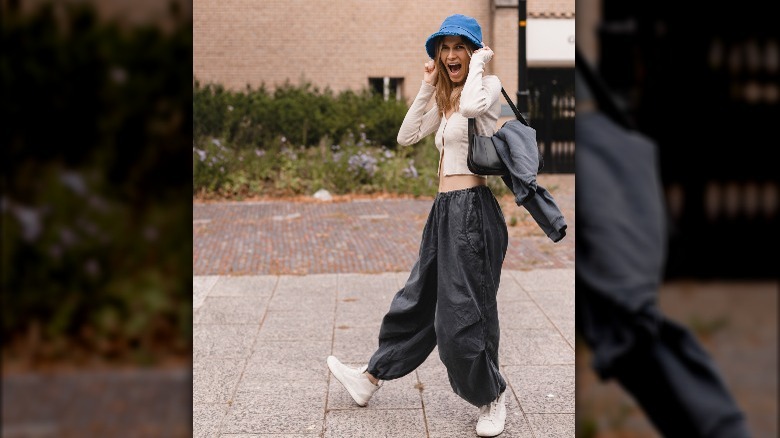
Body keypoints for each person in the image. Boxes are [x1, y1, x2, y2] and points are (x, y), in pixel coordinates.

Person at [326, 14, 510, 437]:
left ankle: (491, 397)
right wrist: (428, 86)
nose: (449, 55)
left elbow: (472, 108)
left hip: (473, 211)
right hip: (444, 210)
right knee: (418, 299)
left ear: (474, 51)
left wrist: (481, 64)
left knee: (464, 314)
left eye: (459, 46)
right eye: (443, 48)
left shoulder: (488, 88)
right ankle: (371, 377)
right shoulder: (448, 100)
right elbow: (406, 135)